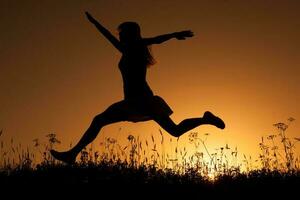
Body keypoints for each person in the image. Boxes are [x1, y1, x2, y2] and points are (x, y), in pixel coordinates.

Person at [50, 12, 225, 164]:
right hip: (137, 101)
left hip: (141, 100)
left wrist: (173, 34)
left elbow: (154, 39)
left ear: (130, 35)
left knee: (99, 120)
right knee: (175, 130)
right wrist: (95, 23)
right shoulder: (128, 49)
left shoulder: (135, 47)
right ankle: (205, 119)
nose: (119, 37)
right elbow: (114, 38)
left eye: (122, 34)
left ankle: (72, 155)